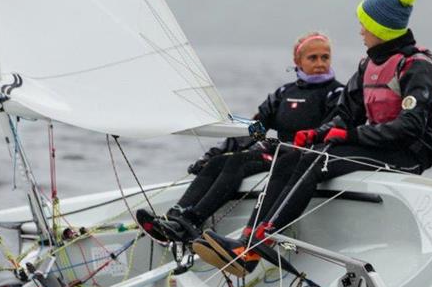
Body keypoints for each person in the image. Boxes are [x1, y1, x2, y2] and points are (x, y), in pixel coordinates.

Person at [193, 0, 432, 277]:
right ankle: (248, 242)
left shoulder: (418, 66)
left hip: (409, 152)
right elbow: (346, 115)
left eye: (365, 24)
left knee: (318, 160)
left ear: (381, 27)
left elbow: (410, 127)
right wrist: (316, 134)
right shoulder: (369, 64)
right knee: (293, 153)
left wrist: (351, 137)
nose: (361, 31)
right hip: (377, 146)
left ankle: (261, 240)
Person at [137, 32, 344, 243]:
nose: (320, 63)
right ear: (297, 61)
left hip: (297, 159)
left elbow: (330, 131)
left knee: (237, 162)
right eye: (313, 58)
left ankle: (191, 220)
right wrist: (211, 155)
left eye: (325, 57)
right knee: (219, 161)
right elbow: (254, 129)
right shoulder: (283, 93)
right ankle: (174, 217)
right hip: (277, 153)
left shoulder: (336, 93)